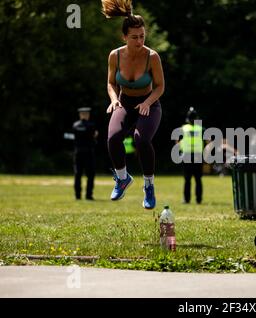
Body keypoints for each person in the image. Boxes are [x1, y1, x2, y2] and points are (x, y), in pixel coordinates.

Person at [102, 0, 164, 209]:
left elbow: (160, 87)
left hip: (149, 103)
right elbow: (111, 83)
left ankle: (148, 186)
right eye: (134, 37)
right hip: (125, 102)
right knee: (113, 138)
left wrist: (147, 102)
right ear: (124, 37)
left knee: (141, 139)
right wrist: (114, 100)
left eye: (142, 36)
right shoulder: (115, 55)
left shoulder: (152, 57)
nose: (139, 41)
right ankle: (122, 178)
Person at [179, 107, 204, 204]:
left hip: (186, 156)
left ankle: (186, 199)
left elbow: (177, 142)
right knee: (198, 179)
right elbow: (209, 142)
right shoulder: (201, 129)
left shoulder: (183, 129)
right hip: (198, 156)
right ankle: (199, 200)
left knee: (187, 179)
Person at [72, 107, 98, 200]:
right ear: (87, 115)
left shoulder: (75, 125)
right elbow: (94, 135)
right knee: (90, 175)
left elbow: (73, 137)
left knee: (77, 174)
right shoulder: (91, 125)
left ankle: (77, 195)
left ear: (80, 115)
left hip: (78, 152)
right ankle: (88, 195)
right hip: (88, 152)